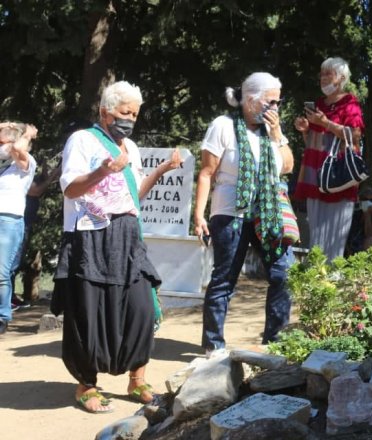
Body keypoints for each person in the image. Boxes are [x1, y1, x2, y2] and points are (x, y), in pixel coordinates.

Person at [55, 81, 182, 413]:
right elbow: (70, 189)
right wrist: (103, 170)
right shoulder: (82, 140)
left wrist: (163, 169)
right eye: (125, 112)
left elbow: (134, 196)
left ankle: (137, 378)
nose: (130, 119)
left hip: (126, 236)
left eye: (135, 114)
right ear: (104, 112)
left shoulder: (132, 147)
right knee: (88, 314)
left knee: (141, 309)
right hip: (89, 237)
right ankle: (86, 385)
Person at [193, 72, 295, 358]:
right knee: (224, 279)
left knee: (283, 274)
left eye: (279, 101)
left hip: (267, 214)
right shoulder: (223, 126)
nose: (276, 107)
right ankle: (213, 345)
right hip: (230, 215)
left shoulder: (271, 132)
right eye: (271, 101)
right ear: (251, 100)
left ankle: (275, 342)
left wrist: (277, 135)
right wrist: (199, 215)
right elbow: (206, 173)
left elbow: (286, 167)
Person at [293, 57, 364, 260]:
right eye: (322, 74)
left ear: (341, 78)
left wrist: (326, 124)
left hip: (338, 179)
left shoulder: (350, 104)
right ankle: (316, 282)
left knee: (334, 240)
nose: (323, 78)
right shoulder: (317, 105)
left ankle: (331, 284)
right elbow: (314, 143)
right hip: (316, 177)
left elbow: (355, 135)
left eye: (328, 74)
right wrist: (305, 130)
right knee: (316, 237)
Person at [0, 122, 37, 335]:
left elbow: (17, 150)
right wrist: (4, 125)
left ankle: (3, 316)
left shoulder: (27, 162)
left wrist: (28, 134)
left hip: (9, 219)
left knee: (2, 273)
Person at [345, 187, 372, 256]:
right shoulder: (356, 214)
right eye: (364, 199)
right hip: (351, 250)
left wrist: (367, 214)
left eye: (371, 200)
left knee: (370, 241)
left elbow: (370, 235)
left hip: (370, 254)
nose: (367, 202)